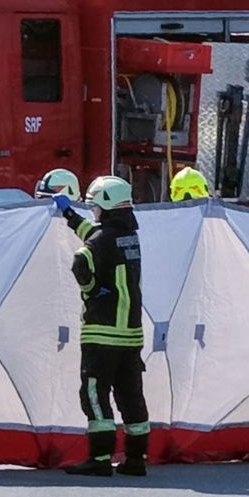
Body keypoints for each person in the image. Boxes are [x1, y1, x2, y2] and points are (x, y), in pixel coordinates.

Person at [71, 175, 150, 477]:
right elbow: (97, 236)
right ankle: (136, 459)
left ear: (104, 205)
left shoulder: (101, 240)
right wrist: (69, 216)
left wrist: (90, 290)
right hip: (131, 335)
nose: (93, 211)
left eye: (94, 206)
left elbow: (82, 260)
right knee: (131, 395)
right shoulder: (129, 236)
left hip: (102, 332)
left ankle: (100, 459)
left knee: (94, 393)